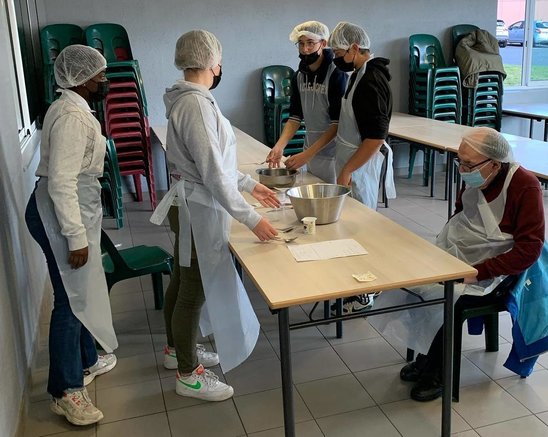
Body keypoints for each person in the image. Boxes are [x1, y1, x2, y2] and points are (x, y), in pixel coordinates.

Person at [150, 30, 280, 402]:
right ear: (212, 63)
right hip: (197, 208)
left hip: (191, 202)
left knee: (182, 277)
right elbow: (211, 173)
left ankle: (177, 349)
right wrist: (253, 219)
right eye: (219, 60)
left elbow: (215, 164)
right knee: (194, 288)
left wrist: (250, 185)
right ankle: (188, 374)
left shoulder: (195, 100)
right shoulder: (194, 105)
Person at [371, 127, 545, 402]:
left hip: (498, 267)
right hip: (462, 251)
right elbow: (462, 215)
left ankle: (438, 371)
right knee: (415, 281)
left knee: (447, 296)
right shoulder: (476, 175)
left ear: (495, 164)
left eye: (468, 164)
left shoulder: (525, 185)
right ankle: (426, 355)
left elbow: (529, 249)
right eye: (459, 161)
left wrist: (478, 273)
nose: (462, 169)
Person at [25, 45, 118, 426]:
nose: (104, 80)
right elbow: (61, 182)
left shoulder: (76, 110)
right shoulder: (69, 118)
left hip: (72, 210)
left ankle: (85, 360)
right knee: (68, 300)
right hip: (60, 215)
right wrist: (75, 238)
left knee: (77, 291)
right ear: (82, 79)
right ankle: (65, 391)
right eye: (99, 75)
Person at [327, 21, 397, 313]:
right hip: (352, 160)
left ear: (356, 49)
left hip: (361, 165)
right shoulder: (358, 74)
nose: (337, 58)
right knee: (353, 227)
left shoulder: (370, 81)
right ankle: (357, 283)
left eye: (340, 52)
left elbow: (375, 137)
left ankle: (368, 289)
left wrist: (348, 170)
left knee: (363, 228)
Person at [265, 21, 348, 184]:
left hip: (333, 153)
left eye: (310, 43)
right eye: (301, 44)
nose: (305, 49)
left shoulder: (337, 75)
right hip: (310, 150)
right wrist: (279, 146)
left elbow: (337, 124)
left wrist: (308, 154)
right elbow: (295, 116)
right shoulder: (299, 76)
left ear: (323, 43)